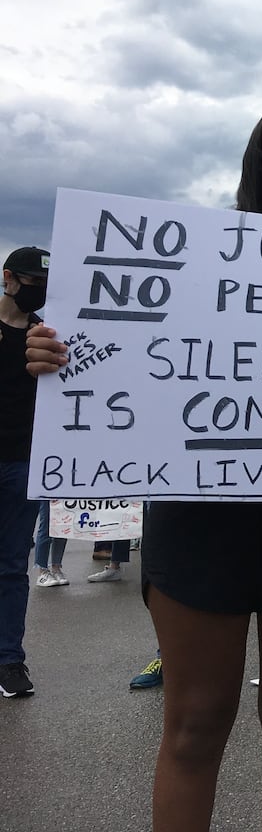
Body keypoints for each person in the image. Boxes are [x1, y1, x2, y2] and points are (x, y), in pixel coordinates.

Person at [26, 98, 262, 831]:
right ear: (258, 161)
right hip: (197, 520)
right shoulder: (190, 257)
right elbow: (110, 349)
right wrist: (55, 359)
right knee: (193, 721)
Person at [1, 245, 50, 698]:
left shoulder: (47, 337)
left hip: (22, 465)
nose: (38, 292)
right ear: (9, 278)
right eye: (32, 283)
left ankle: (9, 661)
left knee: (12, 565)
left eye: (44, 286)